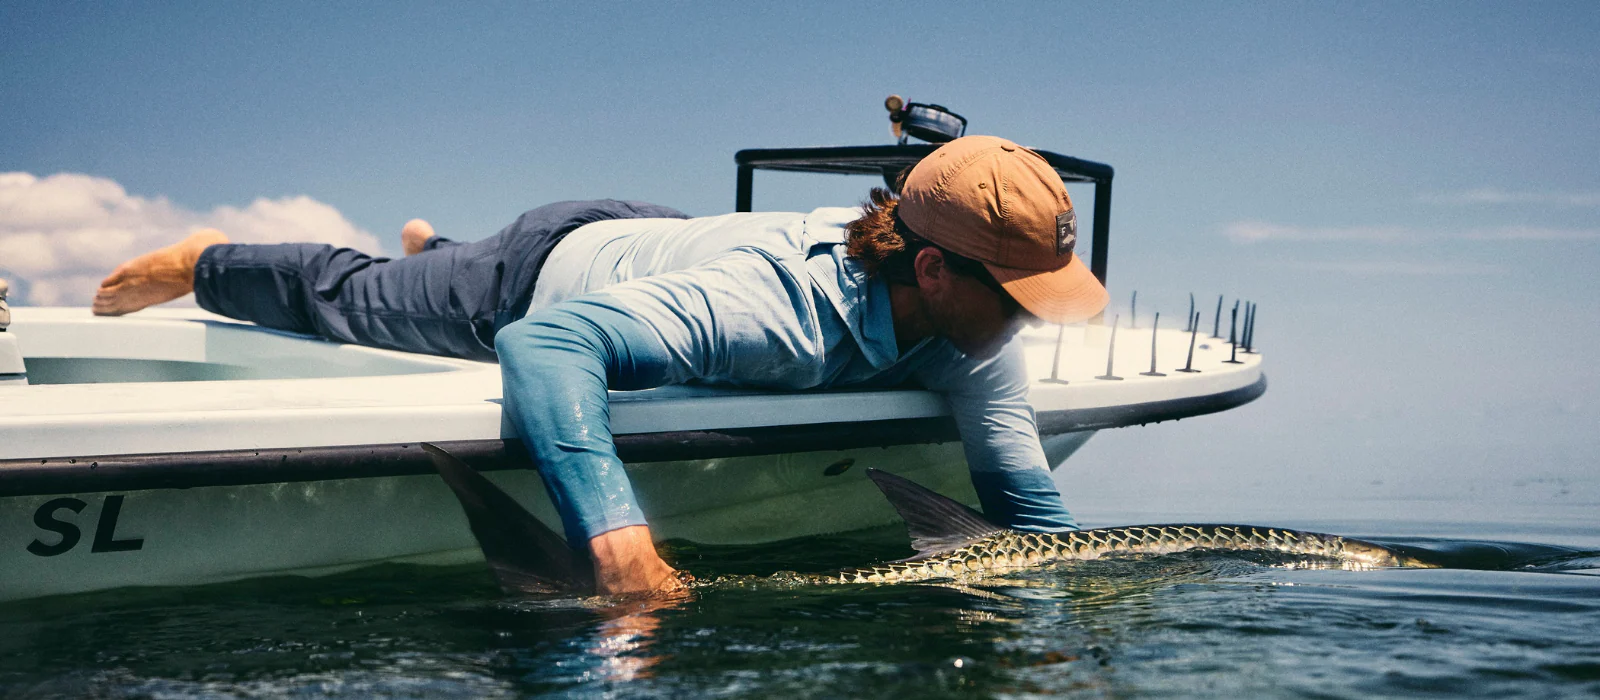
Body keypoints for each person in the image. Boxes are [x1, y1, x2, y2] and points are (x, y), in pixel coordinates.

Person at [93, 135, 1110, 596]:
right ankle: (213, 258)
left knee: (448, 265)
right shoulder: (773, 316)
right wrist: (620, 548)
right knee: (354, 300)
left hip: (666, 244)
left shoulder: (971, 335)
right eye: (1018, 295)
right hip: (544, 271)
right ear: (930, 267)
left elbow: (1028, 514)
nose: (1031, 320)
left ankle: (432, 246)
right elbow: (543, 343)